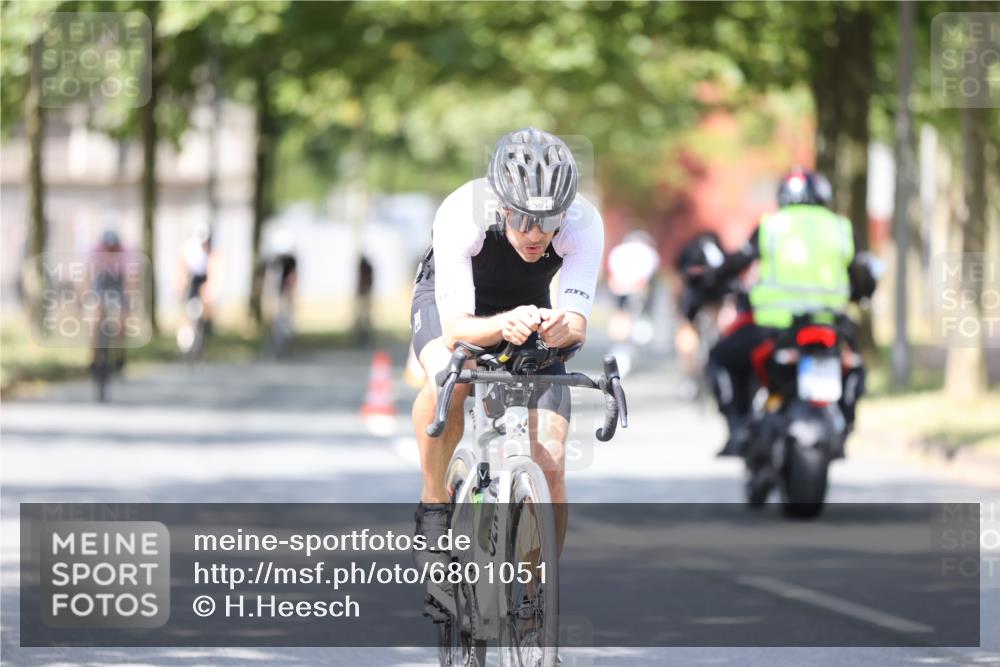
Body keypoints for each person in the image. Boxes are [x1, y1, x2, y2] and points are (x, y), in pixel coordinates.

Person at [409, 127, 603, 583]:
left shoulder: (584, 222)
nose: (537, 234)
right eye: (523, 221)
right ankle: (434, 502)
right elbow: (458, 332)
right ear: (501, 206)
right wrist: (501, 325)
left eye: (550, 220)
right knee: (449, 379)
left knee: (551, 459)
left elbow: (577, 325)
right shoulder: (463, 212)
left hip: (529, 305)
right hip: (453, 306)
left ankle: (535, 597)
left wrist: (558, 329)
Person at [701, 168, 876, 456]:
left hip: (774, 328)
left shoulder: (771, 226)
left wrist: (712, 278)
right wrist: (862, 292)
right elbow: (862, 275)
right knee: (854, 364)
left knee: (720, 357)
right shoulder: (841, 228)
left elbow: (739, 260)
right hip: (829, 325)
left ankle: (738, 429)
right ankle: (845, 425)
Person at [606, 229, 661, 348]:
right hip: (636, 289)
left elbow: (611, 272)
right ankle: (637, 330)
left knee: (621, 316)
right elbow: (650, 275)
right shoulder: (647, 252)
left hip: (620, 287)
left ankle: (620, 341)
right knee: (635, 316)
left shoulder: (618, 251)